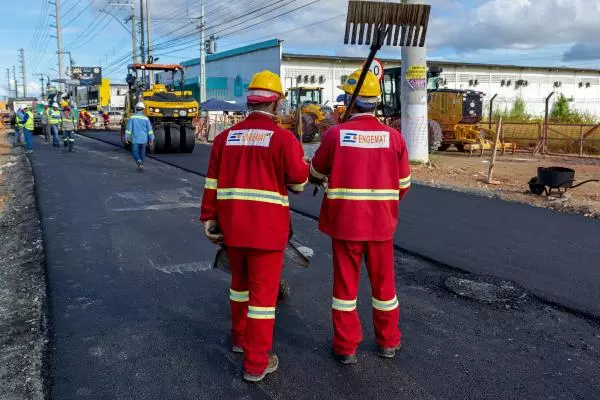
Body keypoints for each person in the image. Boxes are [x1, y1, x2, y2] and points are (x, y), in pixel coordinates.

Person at [200, 70, 309, 382]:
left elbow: (211, 184)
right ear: (275, 106)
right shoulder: (284, 140)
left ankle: (239, 340)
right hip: (267, 233)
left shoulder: (224, 139)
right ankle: (256, 363)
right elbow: (299, 183)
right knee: (262, 299)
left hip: (233, 230)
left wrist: (208, 218)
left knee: (239, 288)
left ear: (250, 102)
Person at [309, 70, 412, 364]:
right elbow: (403, 186)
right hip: (381, 225)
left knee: (344, 289)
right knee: (385, 288)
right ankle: (388, 343)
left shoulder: (335, 135)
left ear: (351, 102)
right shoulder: (394, 138)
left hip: (345, 225)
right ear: (375, 103)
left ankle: (345, 347)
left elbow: (315, 173)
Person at [124, 102, 154, 170]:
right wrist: (151, 139)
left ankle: (138, 161)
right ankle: (141, 165)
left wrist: (126, 137)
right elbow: (150, 130)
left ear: (136, 109)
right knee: (142, 152)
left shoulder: (132, 118)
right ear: (143, 109)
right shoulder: (146, 119)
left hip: (135, 139)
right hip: (144, 140)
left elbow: (129, 129)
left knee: (135, 152)